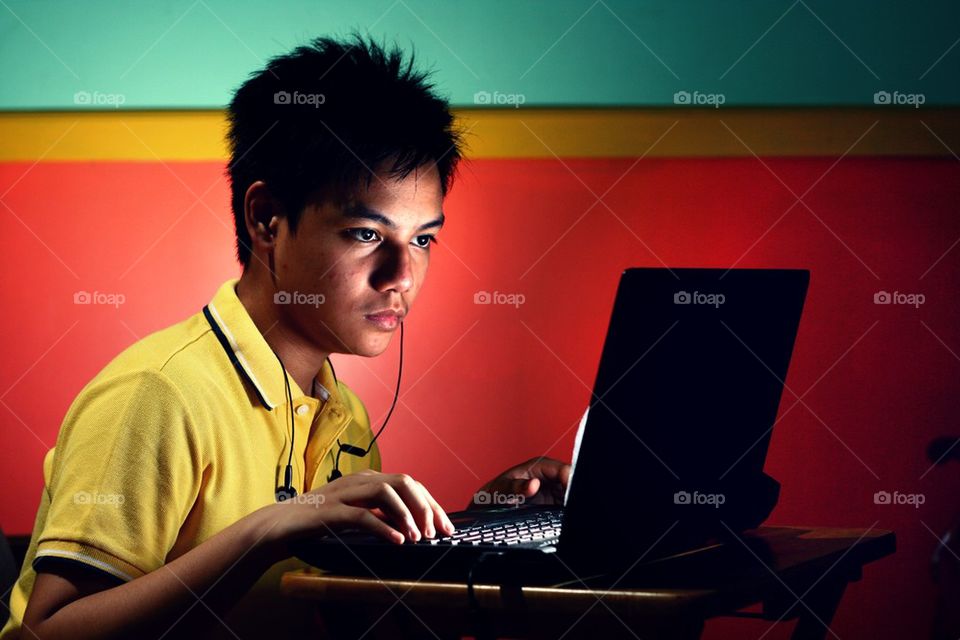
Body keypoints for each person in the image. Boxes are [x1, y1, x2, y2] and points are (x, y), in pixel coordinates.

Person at [0, 35, 571, 639]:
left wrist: (474, 531)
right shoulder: (157, 395)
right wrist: (264, 531)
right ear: (266, 219)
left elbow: (346, 616)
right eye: (366, 235)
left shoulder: (343, 414)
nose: (402, 277)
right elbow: (47, 632)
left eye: (424, 240)